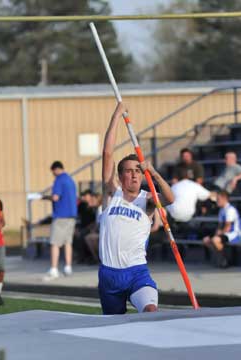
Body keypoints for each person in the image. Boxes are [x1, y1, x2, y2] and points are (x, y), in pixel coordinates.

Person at [98, 103, 174, 315]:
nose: (133, 175)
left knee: (150, 311)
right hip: (108, 275)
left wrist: (155, 173)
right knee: (114, 327)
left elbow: (169, 198)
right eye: (129, 171)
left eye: (137, 171)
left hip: (136, 272)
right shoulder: (111, 194)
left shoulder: (147, 199)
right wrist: (116, 115)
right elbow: (107, 153)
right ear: (120, 176)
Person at [43, 161, 77, 281]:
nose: (53, 174)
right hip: (71, 215)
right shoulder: (70, 180)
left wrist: (44, 197)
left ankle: (54, 268)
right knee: (68, 242)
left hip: (61, 215)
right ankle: (68, 267)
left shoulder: (59, 179)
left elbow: (56, 197)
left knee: (55, 243)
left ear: (56, 169)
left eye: (53, 172)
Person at [203, 190, 241, 268]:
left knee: (215, 240)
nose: (217, 201)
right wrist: (216, 233)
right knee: (206, 240)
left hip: (234, 234)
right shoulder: (221, 210)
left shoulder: (230, 210)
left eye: (218, 199)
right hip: (226, 233)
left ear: (224, 198)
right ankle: (222, 258)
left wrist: (217, 235)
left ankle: (225, 261)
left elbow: (228, 227)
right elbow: (220, 226)